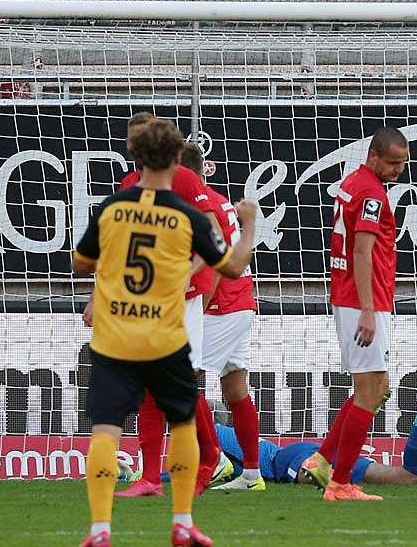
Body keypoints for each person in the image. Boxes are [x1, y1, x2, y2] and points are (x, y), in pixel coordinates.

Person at [72, 117, 256, 547]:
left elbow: (81, 264)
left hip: (117, 334)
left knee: (105, 428)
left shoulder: (111, 209)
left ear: (135, 159)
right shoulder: (186, 215)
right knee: (184, 421)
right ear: (178, 159)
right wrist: (249, 227)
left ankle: (100, 530)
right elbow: (230, 266)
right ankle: (182, 521)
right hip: (166, 333)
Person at [99, 114, 227, 499]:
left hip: (181, 302)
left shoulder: (185, 179)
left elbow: (214, 233)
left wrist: (188, 271)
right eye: (132, 138)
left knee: (181, 386)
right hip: (144, 303)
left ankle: (212, 456)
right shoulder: (127, 186)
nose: (136, 145)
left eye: (142, 137)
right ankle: (150, 476)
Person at [320, 126, 409, 501]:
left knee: (374, 387)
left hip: (352, 296)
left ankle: (322, 460)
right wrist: (369, 311)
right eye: (392, 163)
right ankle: (340, 482)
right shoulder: (371, 194)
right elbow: (361, 252)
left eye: (403, 163)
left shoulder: (353, 181)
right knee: (371, 391)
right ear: (373, 156)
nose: (398, 170)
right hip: (363, 300)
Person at [173, 144, 267, 492]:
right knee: (235, 387)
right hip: (239, 301)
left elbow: (213, 268)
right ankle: (252, 475)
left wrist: (197, 309)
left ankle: (214, 461)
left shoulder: (202, 205)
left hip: (221, 306)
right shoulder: (216, 199)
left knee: (180, 378)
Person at [209, 387, 417, 489]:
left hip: (287, 460)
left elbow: (190, 475)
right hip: (305, 451)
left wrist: (168, 479)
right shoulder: (224, 437)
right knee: (408, 476)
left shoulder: (214, 436)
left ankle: (364, 401)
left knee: (309, 476)